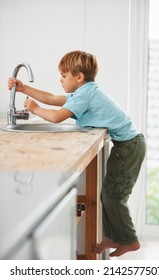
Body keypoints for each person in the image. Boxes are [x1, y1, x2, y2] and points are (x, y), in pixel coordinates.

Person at [8, 50, 146, 257]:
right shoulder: (86, 92)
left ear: (79, 77)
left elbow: (55, 117)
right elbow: (54, 99)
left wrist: (34, 108)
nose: (60, 80)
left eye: (64, 76)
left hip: (129, 147)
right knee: (108, 195)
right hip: (128, 145)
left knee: (114, 196)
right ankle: (112, 236)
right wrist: (24, 88)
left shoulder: (85, 95)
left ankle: (130, 240)